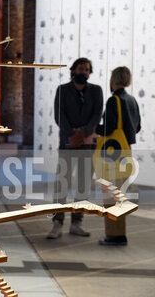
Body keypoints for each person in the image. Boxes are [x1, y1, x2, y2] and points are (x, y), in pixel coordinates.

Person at [47, 57, 103, 239]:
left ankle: (77, 222)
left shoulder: (96, 91)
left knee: (83, 183)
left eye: (87, 69)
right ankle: (57, 223)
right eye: (81, 69)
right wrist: (72, 134)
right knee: (62, 182)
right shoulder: (62, 90)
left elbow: (97, 115)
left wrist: (83, 133)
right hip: (67, 143)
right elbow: (59, 115)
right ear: (73, 71)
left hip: (88, 144)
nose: (84, 72)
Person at [96, 66, 141, 246]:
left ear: (114, 79)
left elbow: (109, 127)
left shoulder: (113, 100)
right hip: (126, 151)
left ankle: (114, 236)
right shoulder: (132, 100)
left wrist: (95, 129)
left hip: (112, 154)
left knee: (110, 195)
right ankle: (119, 234)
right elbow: (137, 127)